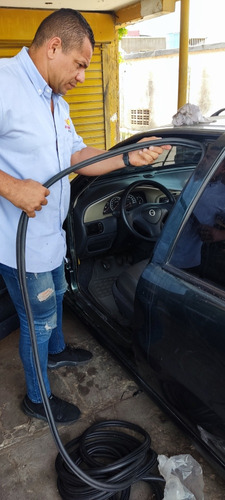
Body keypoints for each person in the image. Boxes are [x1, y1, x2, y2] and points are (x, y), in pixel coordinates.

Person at [0, 8, 170, 424]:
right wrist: (11, 186)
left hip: (50, 236)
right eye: (79, 65)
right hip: (18, 242)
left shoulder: (56, 101)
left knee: (58, 296)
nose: (81, 76)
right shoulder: (5, 84)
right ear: (54, 46)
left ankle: (56, 352)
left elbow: (77, 156)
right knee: (37, 320)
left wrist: (127, 155)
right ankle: (37, 399)